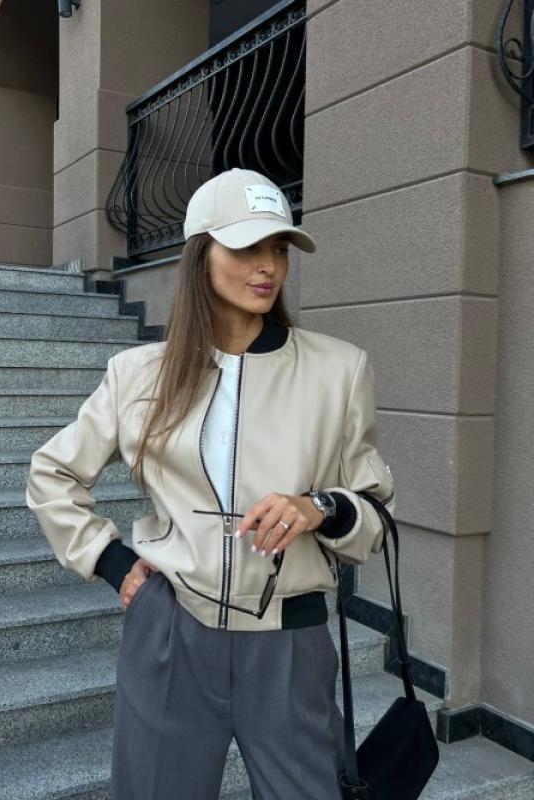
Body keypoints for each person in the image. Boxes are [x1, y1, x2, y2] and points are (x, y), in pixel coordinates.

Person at [25, 166, 396, 800]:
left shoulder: (338, 370)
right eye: (247, 247)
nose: (268, 266)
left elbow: (375, 512)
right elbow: (51, 473)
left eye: (278, 248)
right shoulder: (137, 374)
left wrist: (320, 507)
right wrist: (115, 564)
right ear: (202, 253)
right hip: (171, 629)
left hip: (289, 640)